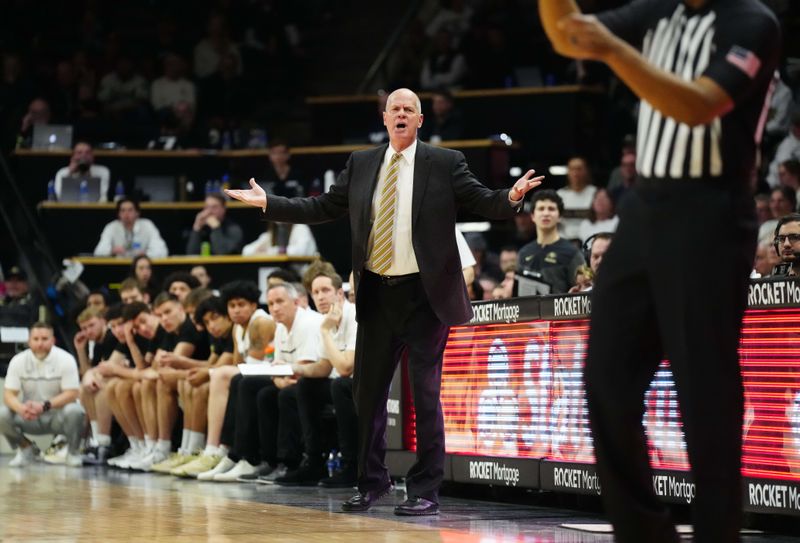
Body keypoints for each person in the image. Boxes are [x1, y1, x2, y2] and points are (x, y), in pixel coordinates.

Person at [225, 87, 543, 515]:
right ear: (385, 117)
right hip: (376, 292)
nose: (402, 114)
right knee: (367, 395)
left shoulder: (445, 162)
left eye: (409, 109)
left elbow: (482, 200)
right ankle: (370, 482)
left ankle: (425, 489)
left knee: (425, 395)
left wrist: (511, 196)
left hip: (425, 295)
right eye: (395, 108)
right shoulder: (362, 163)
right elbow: (323, 206)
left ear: (419, 120)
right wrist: (271, 203)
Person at [539, 1, 780, 541]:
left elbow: (697, 105)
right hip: (645, 208)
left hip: (712, 209)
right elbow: (568, 37)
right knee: (606, 376)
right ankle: (645, 531)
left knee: (705, 390)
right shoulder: (658, 10)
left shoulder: (752, 22)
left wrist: (613, 49)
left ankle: (718, 532)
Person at [0, 322, 85, 467]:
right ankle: (26, 449)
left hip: (57, 417)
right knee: (2, 414)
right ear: (29, 341)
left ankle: (73, 452)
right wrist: (21, 408)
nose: (40, 343)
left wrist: (44, 406)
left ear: (53, 340)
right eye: (36, 339)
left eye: (44, 339)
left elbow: (72, 393)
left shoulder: (66, 359)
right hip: (29, 416)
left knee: (75, 410)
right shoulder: (18, 360)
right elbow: (8, 395)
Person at [517, 190, 585, 294]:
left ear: (559, 216)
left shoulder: (572, 253)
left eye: (551, 209)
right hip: (528, 310)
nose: (546, 213)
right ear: (532, 216)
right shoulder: (523, 253)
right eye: (541, 209)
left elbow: (583, 292)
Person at [94, 198, 169, 258]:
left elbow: (162, 252)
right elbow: (98, 252)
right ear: (118, 214)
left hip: (141, 266)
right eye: (122, 210)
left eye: (130, 210)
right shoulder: (111, 227)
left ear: (137, 213)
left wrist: (146, 254)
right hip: (117, 268)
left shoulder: (147, 225)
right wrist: (112, 250)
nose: (126, 214)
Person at [556, 156, 596, 241]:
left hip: (590, 241)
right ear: (568, 172)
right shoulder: (559, 195)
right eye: (572, 169)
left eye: (579, 169)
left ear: (586, 171)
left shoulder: (595, 193)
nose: (575, 173)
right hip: (564, 241)